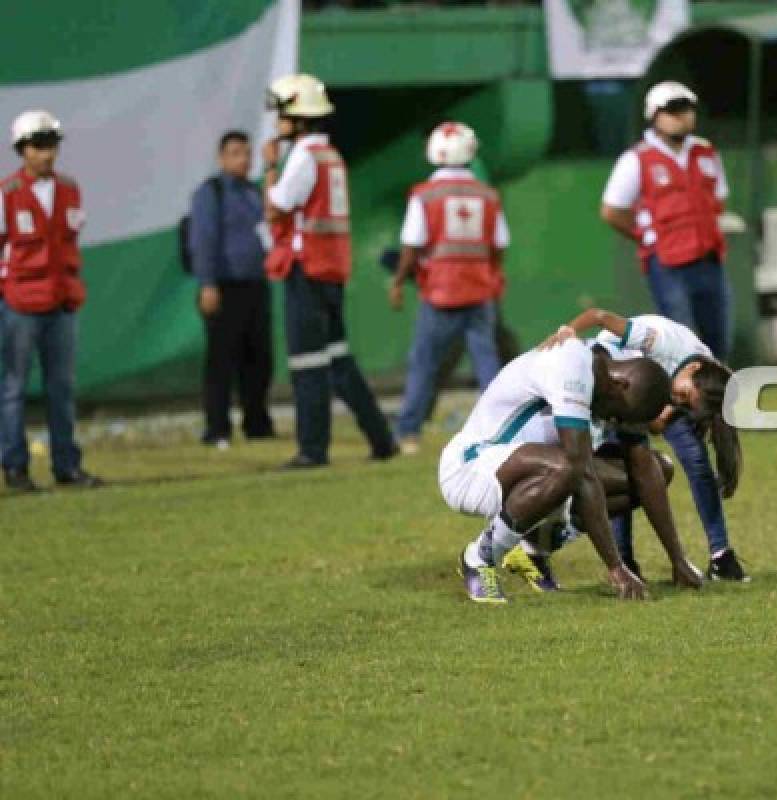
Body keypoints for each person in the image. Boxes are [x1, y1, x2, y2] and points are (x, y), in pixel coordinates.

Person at [440, 338, 697, 604]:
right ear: (620, 384)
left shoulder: (604, 385)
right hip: (470, 470)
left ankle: (535, 548)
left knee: (655, 470)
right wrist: (616, 568)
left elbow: (633, 473)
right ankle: (479, 559)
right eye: (618, 415)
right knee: (569, 466)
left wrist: (678, 560)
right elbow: (581, 471)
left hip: (532, 471)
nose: (613, 422)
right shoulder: (571, 369)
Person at [540, 309, 747, 582]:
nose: (681, 401)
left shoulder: (702, 379)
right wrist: (567, 332)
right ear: (694, 369)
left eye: (687, 404)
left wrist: (671, 408)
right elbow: (600, 316)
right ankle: (621, 559)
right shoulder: (656, 343)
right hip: (616, 374)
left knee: (694, 460)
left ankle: (720, 556)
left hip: (651, 386)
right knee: (625, 467)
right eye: (684, 397)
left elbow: (662, 420)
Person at [263, 73, 396, 468]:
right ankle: (380, 439)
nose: (277, 121)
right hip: (331, 269)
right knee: (338, 358)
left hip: (307, 271)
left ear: (298, 116)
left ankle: (312, 449)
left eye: (281, 113)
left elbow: (279, 204)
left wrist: (269, 170)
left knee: (308, 362)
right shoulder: (331, 155)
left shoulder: (303, 156)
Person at [390, 122, 507, 456]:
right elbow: (499, 244)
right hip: (480, 290)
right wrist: (492, 275)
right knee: (487, 365)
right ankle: (501, 429)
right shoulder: (487, 195)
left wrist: (398, 281)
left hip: (440, 292)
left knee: (424, 363)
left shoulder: (424, 195)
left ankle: (409, 433)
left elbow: (412, 246)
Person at [0, 110, 101, 491]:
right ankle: (15, 468)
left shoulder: (70, 189)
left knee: (62, 387)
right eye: (38, 146)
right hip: (20, 304)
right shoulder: (6, 194)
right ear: (22, 150)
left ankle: (66, 466)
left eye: (51, 146)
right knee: (13, 388)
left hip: (61, 302)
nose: (46, 154)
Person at [600, 81, 732, 361]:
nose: (681, 115)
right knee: (681, 342)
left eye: (686, 108)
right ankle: (684, 401)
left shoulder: (705, 152)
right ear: (654, 115)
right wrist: (646, 236)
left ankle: (717, 399)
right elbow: (612, 210)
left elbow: (718, 199)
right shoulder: (637, 159)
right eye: (672, 109)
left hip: (708, 257)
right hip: (668, 262)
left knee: (718, 337)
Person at [188, 130, 275, 447]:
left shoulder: (253, 192)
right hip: (225, 286)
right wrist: (207, 284)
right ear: (222, 158)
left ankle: (257, 423)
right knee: (221, 360)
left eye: (247, 153)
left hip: (255, 284)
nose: (243, 159)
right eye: (236, 153)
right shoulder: (210, 193)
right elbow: (203, 240)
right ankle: (217, 427)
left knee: (259, 359)